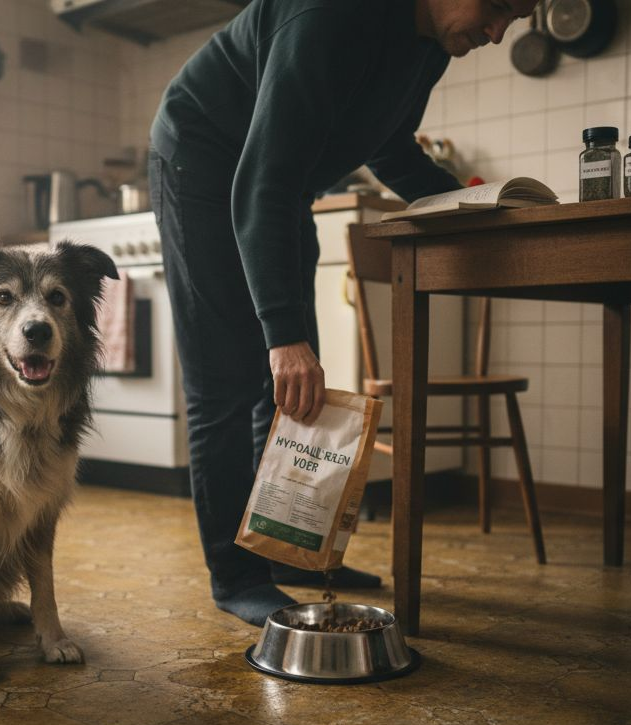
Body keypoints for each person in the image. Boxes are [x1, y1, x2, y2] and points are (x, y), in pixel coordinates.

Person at [149, 0, 535, 626]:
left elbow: (390, 149)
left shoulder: (431, 44)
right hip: (202, 160)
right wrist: (283, 336)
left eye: (512, 20)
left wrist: (483, 206)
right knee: (225, 384)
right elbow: (261, 180)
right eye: (496, 8)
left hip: (282, 186)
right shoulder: (331, 15)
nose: (497, 32)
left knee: (287, 391)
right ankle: (236, 576)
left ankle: (286, 551)